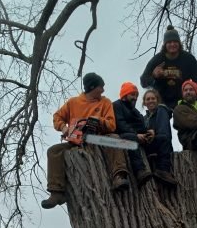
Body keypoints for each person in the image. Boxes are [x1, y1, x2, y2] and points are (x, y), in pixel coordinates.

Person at [42, 72, 130, 209]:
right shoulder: (73, 102)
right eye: (101, 87)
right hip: (76, 141)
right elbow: (57, 116)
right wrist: (63, 128)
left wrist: (98, 121)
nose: (103, 90)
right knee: (54, 151)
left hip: (99, 138)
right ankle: (56, 192)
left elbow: (112, 125)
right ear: (92, 87)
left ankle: (119, 176)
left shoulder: (105, 102)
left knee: (115, 139)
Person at [140, 26, 197, 112]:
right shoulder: (157, 59)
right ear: (165, 45)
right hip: (162, 101)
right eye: (169, 42)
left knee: (186, 120)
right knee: (162, 116)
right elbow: (143, 81)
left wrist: (192, 100)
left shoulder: (188, 59)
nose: (172, 44)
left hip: (182, 100)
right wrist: (154, 76)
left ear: (179, 43)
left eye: (175, 41)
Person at [112, 82, 154, 186]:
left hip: (137, 136)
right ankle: (139, 171)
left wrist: (148, 132)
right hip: (123, 136)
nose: (135, 97)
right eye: (132, 94)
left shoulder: (135, 111)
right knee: (131, 138)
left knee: (158, 139)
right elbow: (120, 125)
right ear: (125, 95)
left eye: (136, 95)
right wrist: (136, 135)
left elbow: (142, 126)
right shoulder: (117, 105)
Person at [142, 88, 176, 184]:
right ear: (144, 103)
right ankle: (162, 169)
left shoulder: (161, 111)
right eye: (148, 99)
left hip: (161, 141)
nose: (150, 101)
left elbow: (164, 130)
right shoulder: (143, 118)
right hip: (147, 144)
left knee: (162, 108)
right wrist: (148, 134)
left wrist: (155, 133)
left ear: (157, 100)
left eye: (153, 98)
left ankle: (163, 170)